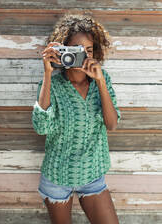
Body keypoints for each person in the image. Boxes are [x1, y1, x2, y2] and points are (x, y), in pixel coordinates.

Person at [32, 14, 121, 224]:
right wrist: (47, 73)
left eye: (88, 51)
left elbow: (112, 124)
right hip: (57, 176)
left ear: (95, 52)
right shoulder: (52, 85)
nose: (82, 56)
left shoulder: (103, 79)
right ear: (63, 51)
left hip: (92, 174)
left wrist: (99, 82)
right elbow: (41, 127)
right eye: (75, 50)